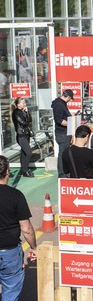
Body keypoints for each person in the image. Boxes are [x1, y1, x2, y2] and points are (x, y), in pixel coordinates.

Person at [0, 155, 37, 300]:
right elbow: (26, 229)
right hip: (10, 252)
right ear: (7, 172)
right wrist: (34, 247)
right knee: (11, 291)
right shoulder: (16, 196)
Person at [52, 89, 74, 177]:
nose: (70, 101)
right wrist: (72, 123)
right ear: (68, 97)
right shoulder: (59, 105)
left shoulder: (60, 103)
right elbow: (59, 120)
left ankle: (64, 172)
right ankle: (62, 173)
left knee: (64, 153)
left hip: (63, 132)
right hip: (62, 133)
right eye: (70, 99)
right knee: (62, 154)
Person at [11, 97, 34, 177]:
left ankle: (23, 170)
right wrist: (26, 118)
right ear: (18, 104)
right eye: (23, 103)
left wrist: (27, 113)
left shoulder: (23, 111)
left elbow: (30, 120)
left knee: (24, 153)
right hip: (21, 136)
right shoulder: (16, 112)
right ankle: (25, 170)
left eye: (25, 102)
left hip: (26, 134)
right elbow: (23, 123)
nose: (25, 104)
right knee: (29, 153)